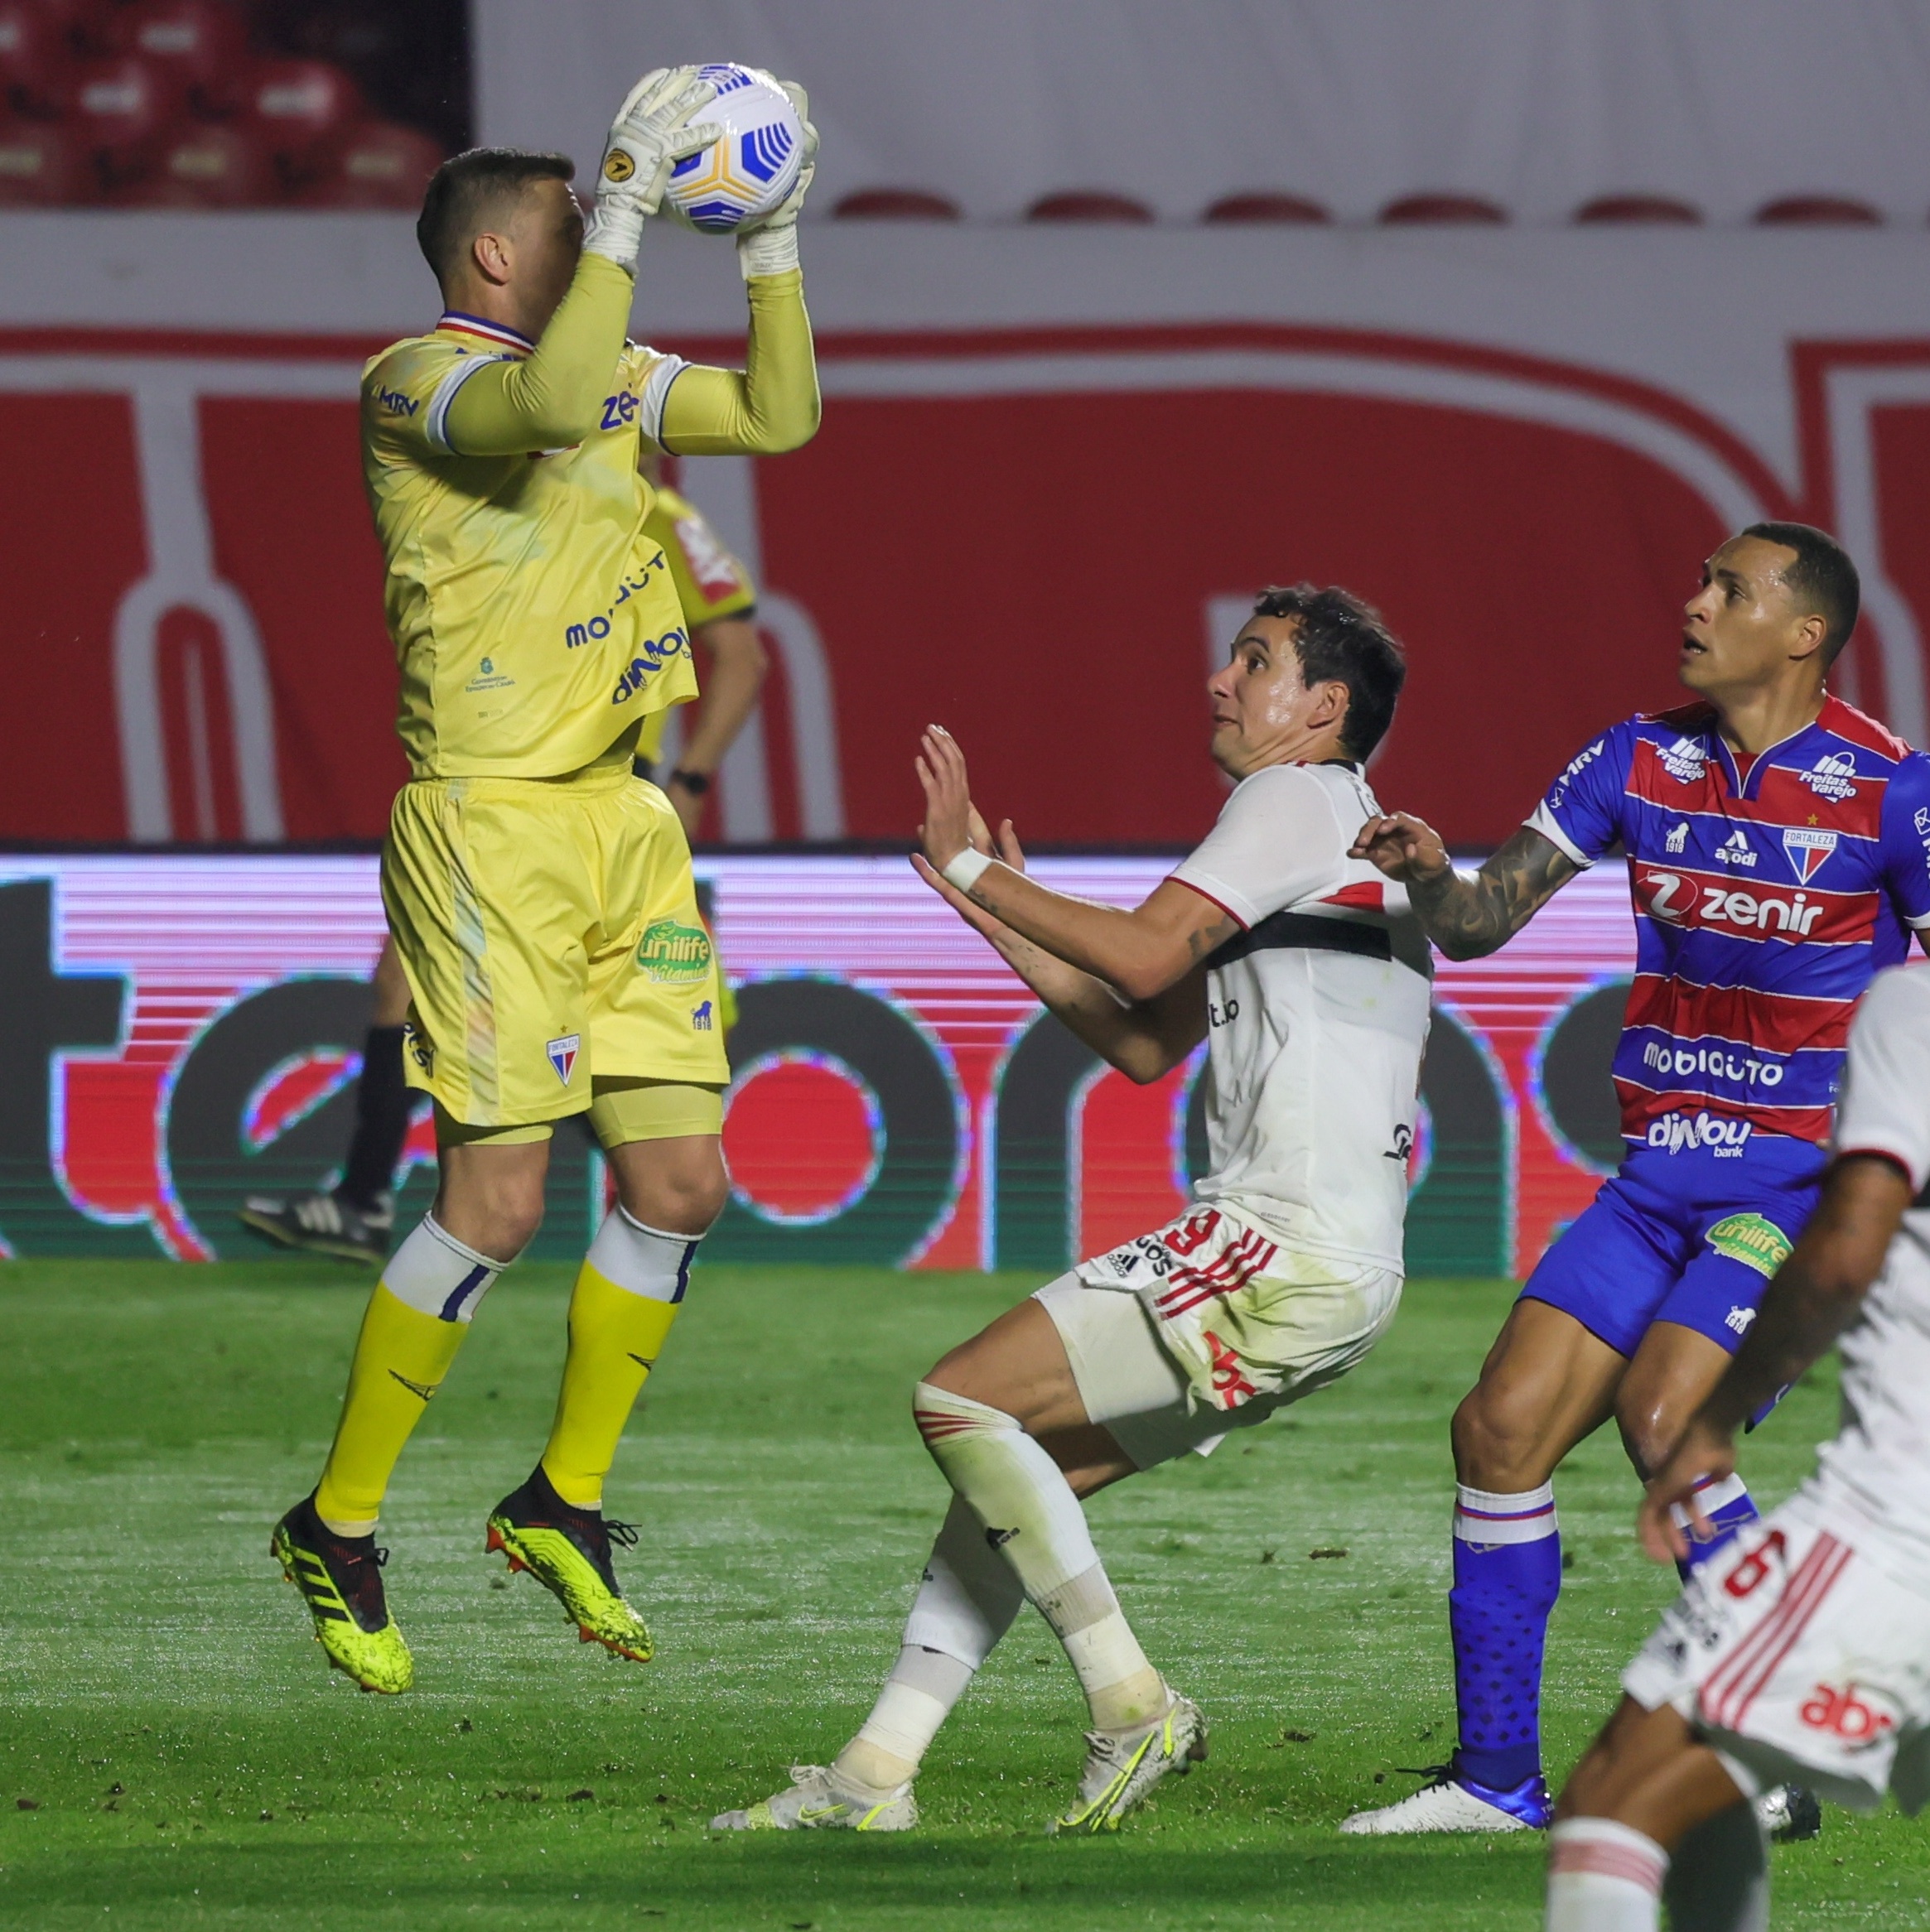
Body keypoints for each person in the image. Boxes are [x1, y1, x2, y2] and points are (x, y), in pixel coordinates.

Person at [267, 68, 821, 1698]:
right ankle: (338, 1517)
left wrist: (774, 245)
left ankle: (557, 1496)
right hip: (492, 827)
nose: (602, 237)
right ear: (498, 262)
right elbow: (545, 406)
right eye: (576, 225)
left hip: (625, 823)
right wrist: (641, 202)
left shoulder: (609, 377)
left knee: (679, 1184)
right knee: (498, 1199)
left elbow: (779, 417)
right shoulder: (416, 379)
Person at [712, 584, 1423, 1834]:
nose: (1219, 681)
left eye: (1252, 662)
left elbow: (1144, 956)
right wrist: (982, 899)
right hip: (1337, 1267)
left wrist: (980, 861)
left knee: (962, 1396)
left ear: (1322, 708)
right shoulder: (1341, 832)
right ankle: (875, 1777)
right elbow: (1146, 1041)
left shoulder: (1289, 797)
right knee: (1006, 1479)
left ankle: (1129, 1701)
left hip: (1279, 1238)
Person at [1340, 524, 1930, 1835]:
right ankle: (1495, 1783)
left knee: (1667, 1417)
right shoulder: (1635, 757)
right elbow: (1484, 920)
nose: (1694, 600)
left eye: (1730, 588)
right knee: (1496, 1430)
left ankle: (1771, 1743)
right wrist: (1434, 874)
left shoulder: (1892, 791)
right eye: (1702, 579)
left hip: (1789, 1187)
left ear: (1803, 634)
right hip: (1656, 1176)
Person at [236, 456, 766, 1265]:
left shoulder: (653, 513)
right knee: (404, 974)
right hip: (504, 790)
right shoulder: (509, 513)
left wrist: (689, 778)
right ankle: (364, 1198)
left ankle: (666, 1189)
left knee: (585, 1015)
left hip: (596, 794)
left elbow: (742, 654)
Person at [1546, 962, 1930, 1930]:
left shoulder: (1907, 1006)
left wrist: (1711, 1420)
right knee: (1707, 1786)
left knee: (1612, 1805)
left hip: (1896, 1526)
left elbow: (1844, 1250)